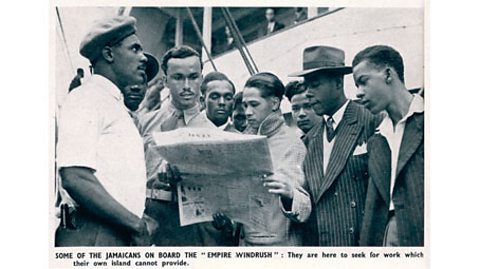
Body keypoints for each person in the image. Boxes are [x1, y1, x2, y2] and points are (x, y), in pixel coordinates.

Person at [55, 16, 155, 246]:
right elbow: (74, 176)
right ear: (109, 54)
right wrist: (136, 224)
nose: (142, 58)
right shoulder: (86, 97)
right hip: (94, 232)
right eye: (135, 49)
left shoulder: (112, 104)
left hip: (113, 231)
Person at [138, 45, 230, 246]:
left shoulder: (214, 132)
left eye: (193, 77)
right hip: (149, 214)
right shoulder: (145, 122)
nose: (187, 85)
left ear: (201, 79)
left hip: (191, 222)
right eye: (178, 77)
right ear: (165, 81)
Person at [289, 45, 380, 246]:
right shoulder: (308, 140)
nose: (309, 93)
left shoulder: (371, 121)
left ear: (338, 83)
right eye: (307, 86)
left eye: (315, 85)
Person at [215, 72, 311, 246]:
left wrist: (289, 193)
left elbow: (305, 206)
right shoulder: (243, 142)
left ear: (274, 103)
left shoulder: (293, 143)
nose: (248, 112)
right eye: (245, 105)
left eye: (254, 105)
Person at [352, 45, 424, 246]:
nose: (358, 93)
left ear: (388, 74)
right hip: (385, 238)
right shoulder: (377, 138)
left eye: (363, 82)